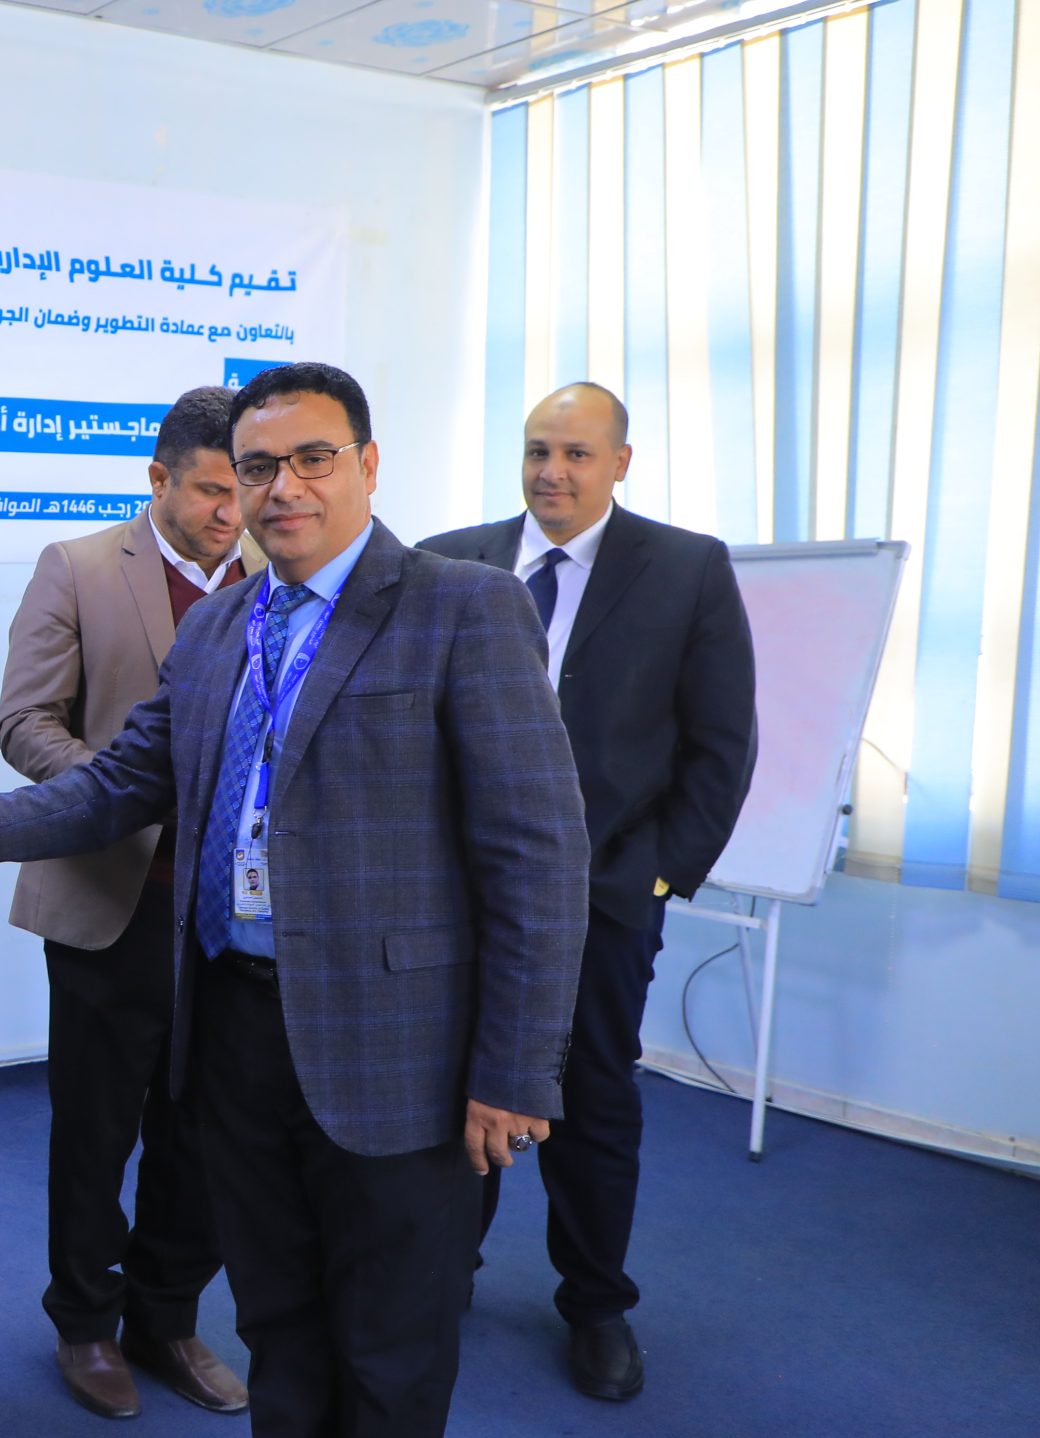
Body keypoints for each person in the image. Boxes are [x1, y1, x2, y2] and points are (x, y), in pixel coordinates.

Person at [0, 363, 590, 1438]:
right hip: (235, 1031)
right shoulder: (220, 628)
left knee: (391, 1346)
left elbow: (538, 854)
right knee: (278, 1324)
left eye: (313, 459)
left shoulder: (463, 607)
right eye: (258, 467)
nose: (281, 487)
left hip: (397, 1049)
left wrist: (515, 1068)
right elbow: (122, 783)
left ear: (368, 465)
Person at [419, 381, 756, 1401]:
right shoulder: (449, 560)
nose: (551, 471)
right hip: (454, 888)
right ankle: (443, 1271)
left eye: (574, 453)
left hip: (602, 892)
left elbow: (721, 744)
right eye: (537, 450)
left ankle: (596, 1303)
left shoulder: (686, 569)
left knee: (591, 1097)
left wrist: (656, 874)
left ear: (620, 462)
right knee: (448, 1084)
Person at [0, 385, 248, 1418]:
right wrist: (120, 789)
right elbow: (23, 721)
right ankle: (85, 1324)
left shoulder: (279, 572)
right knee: (97, 1131)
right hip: (116, 896)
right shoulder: (81, 566)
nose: (231, 512)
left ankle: (166, 1316)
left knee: (209, 1128)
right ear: (157, 479)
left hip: (239, 914)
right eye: (211, 490)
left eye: (245, 488)